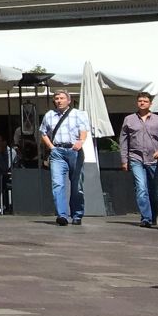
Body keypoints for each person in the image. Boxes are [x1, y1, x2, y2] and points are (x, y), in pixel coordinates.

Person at [39, 88, 91, 226]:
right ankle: (61, 215)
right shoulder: (49, 115)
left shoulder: (78, 114)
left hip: (74, 150)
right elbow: (43, 132)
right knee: (57, 184)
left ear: (68, 100)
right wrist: (51, 147)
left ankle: (77, 214)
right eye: (56, 99)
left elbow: (84, 130)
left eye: (62, 98)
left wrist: (80, 141)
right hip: (58, 151)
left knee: (77, 184)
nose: (59, 101)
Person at [120, 91, 158, 229]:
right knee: (141, 188)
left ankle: (153, 215)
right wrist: (124, 160)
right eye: (140, 101)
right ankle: (145, 217)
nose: (142, 103)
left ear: (150, 103)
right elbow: (123, 140)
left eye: (145, 101)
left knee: (155, 191)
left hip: (154, 159)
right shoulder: (129, 119)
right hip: (136, 158)